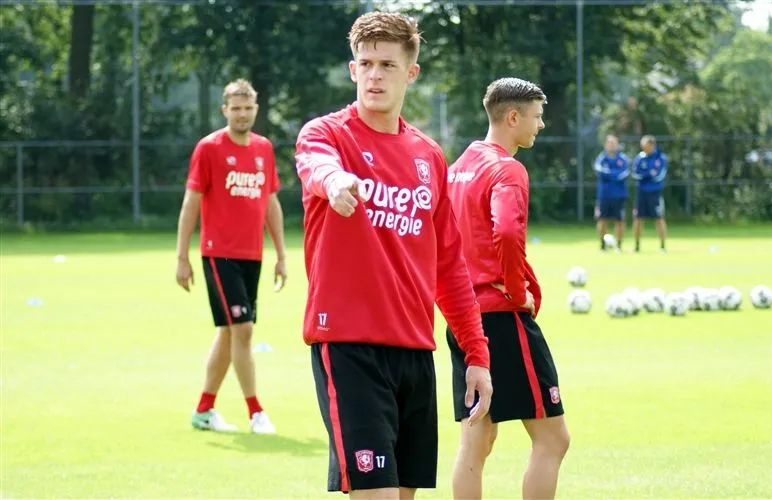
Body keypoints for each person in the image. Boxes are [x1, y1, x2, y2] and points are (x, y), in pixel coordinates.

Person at [294, 11, 493, 499]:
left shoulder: (428, 156)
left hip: (414, 351)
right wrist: (335, 181)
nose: (374, 75)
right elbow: (315, 166)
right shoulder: (327, 135)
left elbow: (449, 265)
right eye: (365, 63)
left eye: (386, 64)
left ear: (411, 72)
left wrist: (477, 353)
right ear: (352, 69)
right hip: (348, 346)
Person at [446, 77, 570, 500]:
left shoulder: (457, 168)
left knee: (475, 442)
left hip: (462, 319)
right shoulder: (506, 168)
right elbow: (508, 232)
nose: (540, 125)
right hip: (501, 318)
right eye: (536, 117)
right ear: (512, 117)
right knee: (553, 439)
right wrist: (518, 292)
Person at [175, 79, 287, 435]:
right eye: (235, 108)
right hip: (218, 254)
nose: (242, 114)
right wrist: (182, 257)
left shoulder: (264, 149)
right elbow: (191, 202)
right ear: (224, 110)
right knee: (243, 329)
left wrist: (281, 254)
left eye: (247, 108)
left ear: (255, 109)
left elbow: (270, 202)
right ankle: (256, 412)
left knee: (228, 333)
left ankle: (204, 409)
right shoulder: (209, 148)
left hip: (251, 255)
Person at [593, 134, 630, 251]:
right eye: (610, 143)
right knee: (602, 220)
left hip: (619, 195)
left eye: (614, 143)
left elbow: (624, 173)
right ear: (605, 145)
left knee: (620, 220)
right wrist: (614, 174)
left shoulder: (623, 159)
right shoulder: (601, 159)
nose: (612, 145)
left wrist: (610, 174)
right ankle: (603, 245)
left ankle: (619, 245)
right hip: (604, 195)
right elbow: (599, 170)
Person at [632, 135, 668, 253]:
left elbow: (659, 176)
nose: (644, 149)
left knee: (658, 218)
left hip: (655, 193)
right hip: (641, 193)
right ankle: (637, 246)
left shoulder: (660, 158)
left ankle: (662, 246)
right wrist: (648, 175)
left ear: (652, 145)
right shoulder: (639, 158)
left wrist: (646, 176)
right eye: (643, 147)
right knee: (638, 219)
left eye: (646, 147)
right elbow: (635, 175)